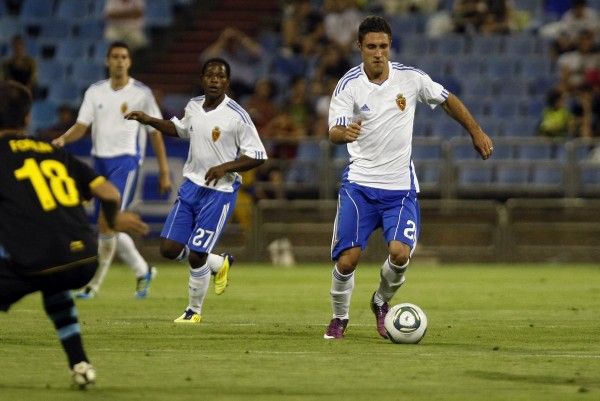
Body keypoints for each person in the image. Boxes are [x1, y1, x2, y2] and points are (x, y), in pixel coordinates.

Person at [324, 16, 493, 339]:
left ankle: (381, 301)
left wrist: (476, 132)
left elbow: (447, 100)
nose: (378, 53)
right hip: (359, 185)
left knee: (400, 254)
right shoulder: (348, 85)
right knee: (348, 261)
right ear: (359, 47)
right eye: (371, 47)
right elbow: (333, 131)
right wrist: (343, 133)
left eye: (383, 46)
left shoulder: (410, 79)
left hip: (399, 188)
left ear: (390, 47)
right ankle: (339, 317)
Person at [0, 80, 149, 387]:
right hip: (82, 260)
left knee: (41, 268)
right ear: (28, 118)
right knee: (54, 282)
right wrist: (115, 220)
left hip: (34, 259)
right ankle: (81, 364)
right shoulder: (53, 152)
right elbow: (108, 193)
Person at [124, 57, 267, 323]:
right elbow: (179, 130)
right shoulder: (193, 106)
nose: (215, 80)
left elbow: (258, 155)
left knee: (197, 253)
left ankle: (194, 311)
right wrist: (148, 119)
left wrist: (226, 167)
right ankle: (217, 263)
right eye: (210, 75)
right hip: (191, 186)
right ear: (202, 79)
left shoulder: (237, 115)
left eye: (221, 76)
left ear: (227, 81)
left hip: (219, 192)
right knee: (168, 249)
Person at [52, 41, 172, 299]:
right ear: (107, 61)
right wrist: (63, 139)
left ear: (129, 62)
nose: (119, 61)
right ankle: (143, 271)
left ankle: (92, 286)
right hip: (100, 163)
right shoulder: (95, 92)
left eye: (124, 57)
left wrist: (163, 171)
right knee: (109, 225)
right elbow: (81, 126)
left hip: (127, 162)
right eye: (115, 56)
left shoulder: (142, 93)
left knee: (107, 222)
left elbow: (156, 134)